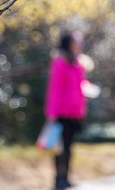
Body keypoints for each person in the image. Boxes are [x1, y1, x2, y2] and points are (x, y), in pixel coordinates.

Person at [44, 31, 87, 190]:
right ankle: (58, 180)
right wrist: (52, 114)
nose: (80, 43)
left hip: (74, 113)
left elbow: (80, 86)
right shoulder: (59, 61)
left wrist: (82, 110)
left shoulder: (79, 63)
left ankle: (66, 178)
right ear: (68, 42)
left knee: (69, 147)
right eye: (77, 40)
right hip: (60, 113)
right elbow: (55, 89)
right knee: (59, 148)